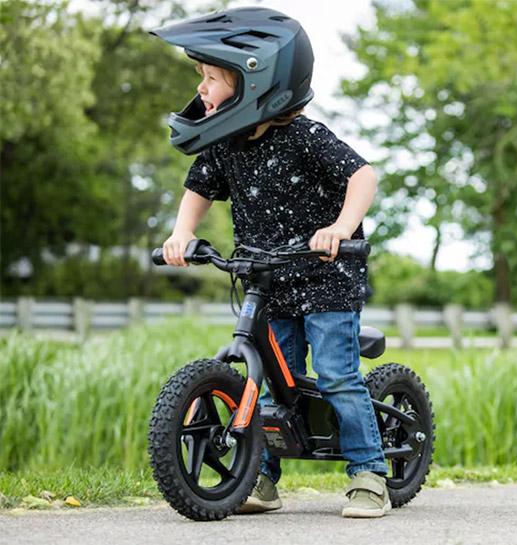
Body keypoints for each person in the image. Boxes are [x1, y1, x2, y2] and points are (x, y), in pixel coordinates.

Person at [151, 7, 390, 518]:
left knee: (335, 376)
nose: (203, 93)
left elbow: (362, 176)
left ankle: (369, 474)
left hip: (326, 276)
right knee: (267, 383)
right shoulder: (225, 144)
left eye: (213, 80)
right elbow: (198, 190)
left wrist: (341, 228)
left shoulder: (305, 136)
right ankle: (259, 477)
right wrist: (181, 234)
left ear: (257, 85)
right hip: (269, 279)